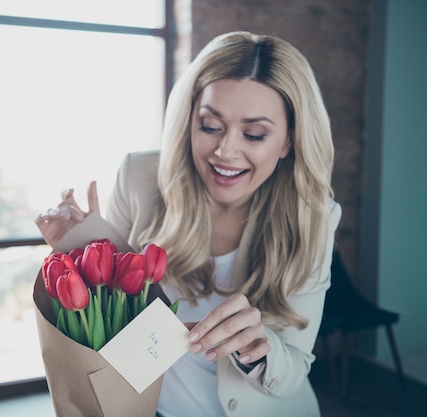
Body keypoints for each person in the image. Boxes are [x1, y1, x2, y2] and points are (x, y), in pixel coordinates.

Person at [35, 31, 341, 417]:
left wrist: (259, 350)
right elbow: (116, 312)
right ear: (189, 119)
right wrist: (80, 243)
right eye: (210, 126)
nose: (225, 151)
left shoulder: (314, 216)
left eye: (254, 134)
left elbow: (294, 369)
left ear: (288, 142)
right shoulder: (140, 176)